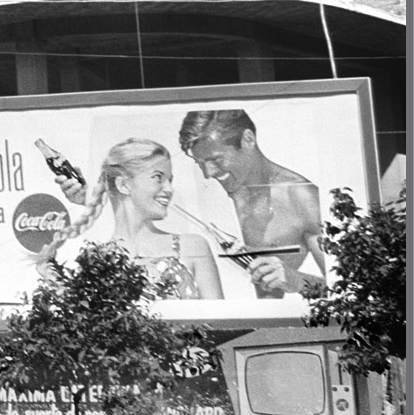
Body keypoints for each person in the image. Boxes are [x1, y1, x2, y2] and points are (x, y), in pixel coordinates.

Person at [45, 138, 224, 299]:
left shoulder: (192, 246)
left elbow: (223, 326)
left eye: (170, 180)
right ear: (123, 185)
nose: (169, 189)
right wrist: (59, 286)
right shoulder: (95, 260)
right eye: (158, 178)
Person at [178, 109, 326, 298]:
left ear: (248, 140)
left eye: (216, 159)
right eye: (200, 163)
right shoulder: (199, 193)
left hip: (272, 324)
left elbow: (345, 293)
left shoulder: (299, 196)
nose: (208, 173)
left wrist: (295, 280)